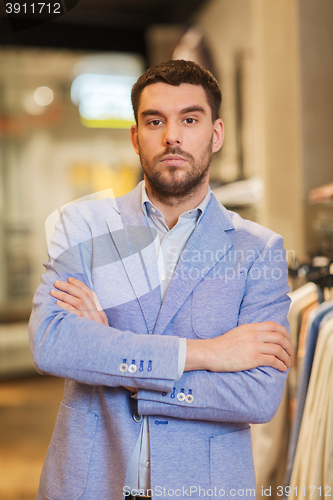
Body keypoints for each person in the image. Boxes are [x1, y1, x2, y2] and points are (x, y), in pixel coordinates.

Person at [29, 59, 292, 500]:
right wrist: (207, 353)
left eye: (190, 119)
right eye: (155, 121)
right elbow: (53, 343)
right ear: (136, 137)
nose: (172, 135)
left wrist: (123, 370)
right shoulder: (83, 226)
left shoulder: (259, 250)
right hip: (88, 483)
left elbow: (257, 395)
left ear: (216, 134)